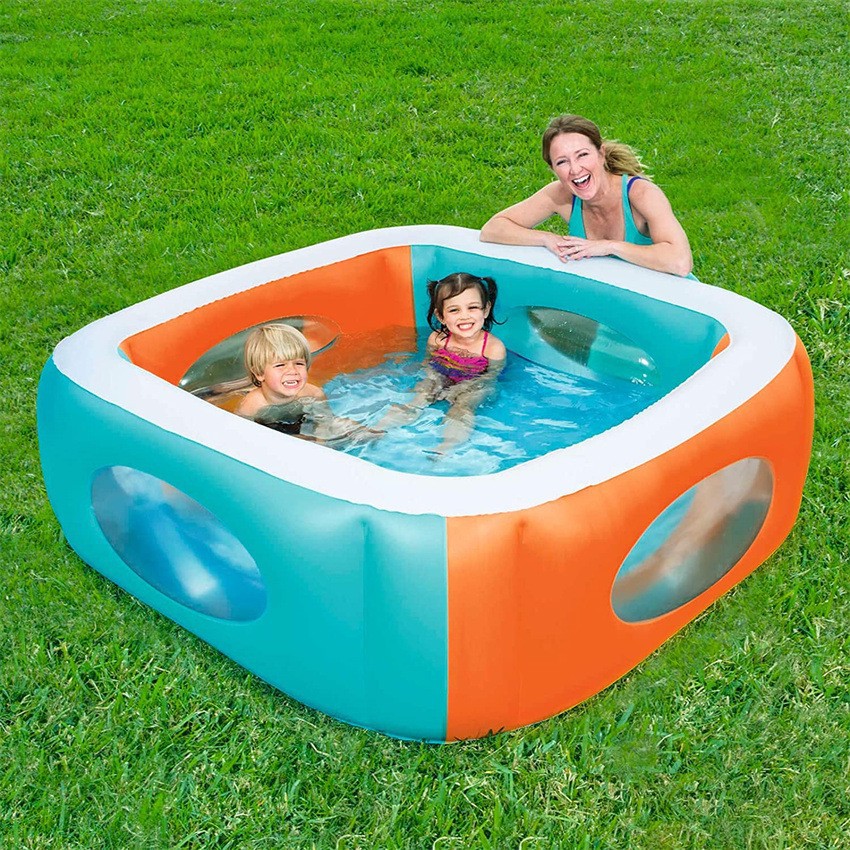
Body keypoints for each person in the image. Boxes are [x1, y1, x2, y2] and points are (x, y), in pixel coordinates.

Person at [481, 114, 693, 277]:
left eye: (582, 155)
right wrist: (546, 238)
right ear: (553, 169)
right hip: (619, 297)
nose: (575, 169)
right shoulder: (560, 195)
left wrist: (609, 246)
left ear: (601, 154)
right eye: (562, 162)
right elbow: (493, 229)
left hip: (670, 299)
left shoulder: (641, 194)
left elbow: (680, 262)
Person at [378, 273, 507, 455]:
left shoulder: (493, 347)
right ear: (440, 316)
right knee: (420, 395)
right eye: (454, 310)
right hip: (442, 375)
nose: (464, 316)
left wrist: (462, 388)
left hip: (474, 383)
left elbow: (491, 377)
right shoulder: (437, 339)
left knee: (463, 407)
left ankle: (446, 447)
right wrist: (434, 379)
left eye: (472, 307)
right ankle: (377, 429)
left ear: (485, 310)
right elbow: (428, 363)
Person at [235, 323, 379, 443]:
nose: (292, 371)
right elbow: (242, 437)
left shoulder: (313, 393)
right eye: (280, 365)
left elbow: (325, 421)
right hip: (271, 431)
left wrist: (322, 441)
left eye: (299, 363)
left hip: (302, 422)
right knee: (303, 441)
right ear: (259, 373)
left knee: (345, 426)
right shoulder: (252, 405)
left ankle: (383, 429)